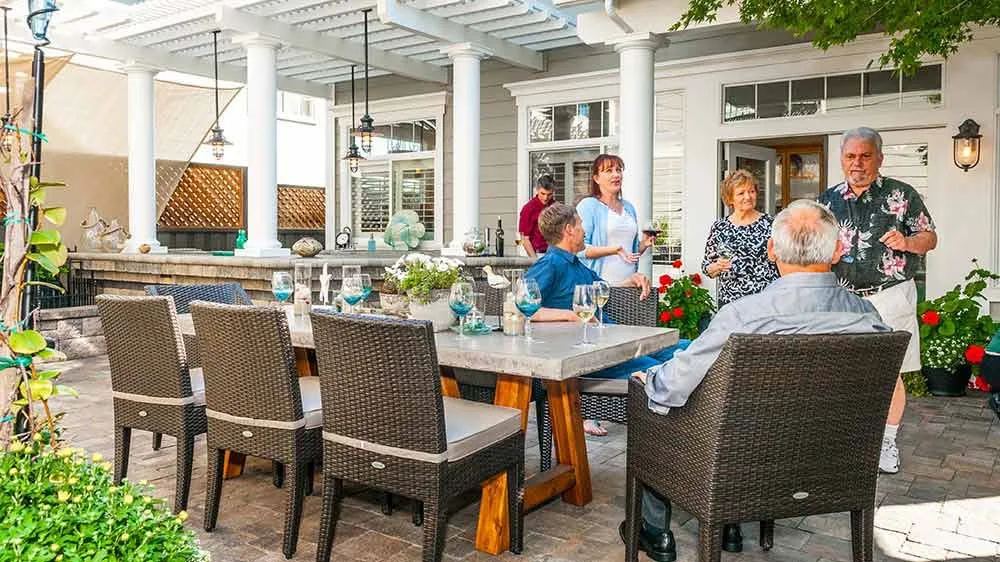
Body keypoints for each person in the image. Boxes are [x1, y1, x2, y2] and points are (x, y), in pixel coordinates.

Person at [622, 200, 891, 562]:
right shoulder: (868, 318)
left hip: (738, 457)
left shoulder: (744, 316)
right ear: (837, 250)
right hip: (827, 458)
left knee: (655, 402)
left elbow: (674, 385)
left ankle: (655, 531)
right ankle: (731, 525)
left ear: (771, 250)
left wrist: (647, 380)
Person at [818, 126, 937, 475]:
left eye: (865, 155)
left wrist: (908, 242)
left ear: (879, 158)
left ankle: (886, 441)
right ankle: (848, 440)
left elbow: (929, 237)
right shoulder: (827, 201)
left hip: (890, 295)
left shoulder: (903, 194)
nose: (857, 163)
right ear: (842, 159)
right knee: (840, 372)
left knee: (891, 372)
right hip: (842, 298)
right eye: (851, 156)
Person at [523, 202, 687, 380]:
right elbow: (521, 308)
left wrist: (629, 281)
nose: (584, 231)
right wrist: (571, 315)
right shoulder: (550, 264)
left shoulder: (577, 265)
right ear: (569, 230)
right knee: (661, 372)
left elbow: (603, 290)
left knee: (688, 348)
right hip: (594, 357)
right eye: (580, 224)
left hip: (613, 342)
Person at [702, 169, 780, 307]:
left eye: (751, 191)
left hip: (765, 301)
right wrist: (718, 266)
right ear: (730, 199)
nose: (748, 197)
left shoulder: (771, 224)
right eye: (741, 193)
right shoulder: (720, 227)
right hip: (730, 303)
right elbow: (707, 267)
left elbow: (783, 260)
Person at [577, 154, 655, 285]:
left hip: (629, 285)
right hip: (599, 285)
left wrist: (644, 244)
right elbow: (579, 249)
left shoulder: (629, 207)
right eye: (609, 171)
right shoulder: (588, 205)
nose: (616, 175)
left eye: (618, 170)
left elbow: (630, 253)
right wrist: (613, 250)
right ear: (596, 178)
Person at [518, 174, 556, 258]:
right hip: (537, 254)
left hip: (555, 254)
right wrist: (535, 261)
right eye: (543, 193)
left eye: (549, 194)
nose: (545, 198)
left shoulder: (556, 207)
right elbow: (525, 239)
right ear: (537, 190)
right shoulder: (528, 209)